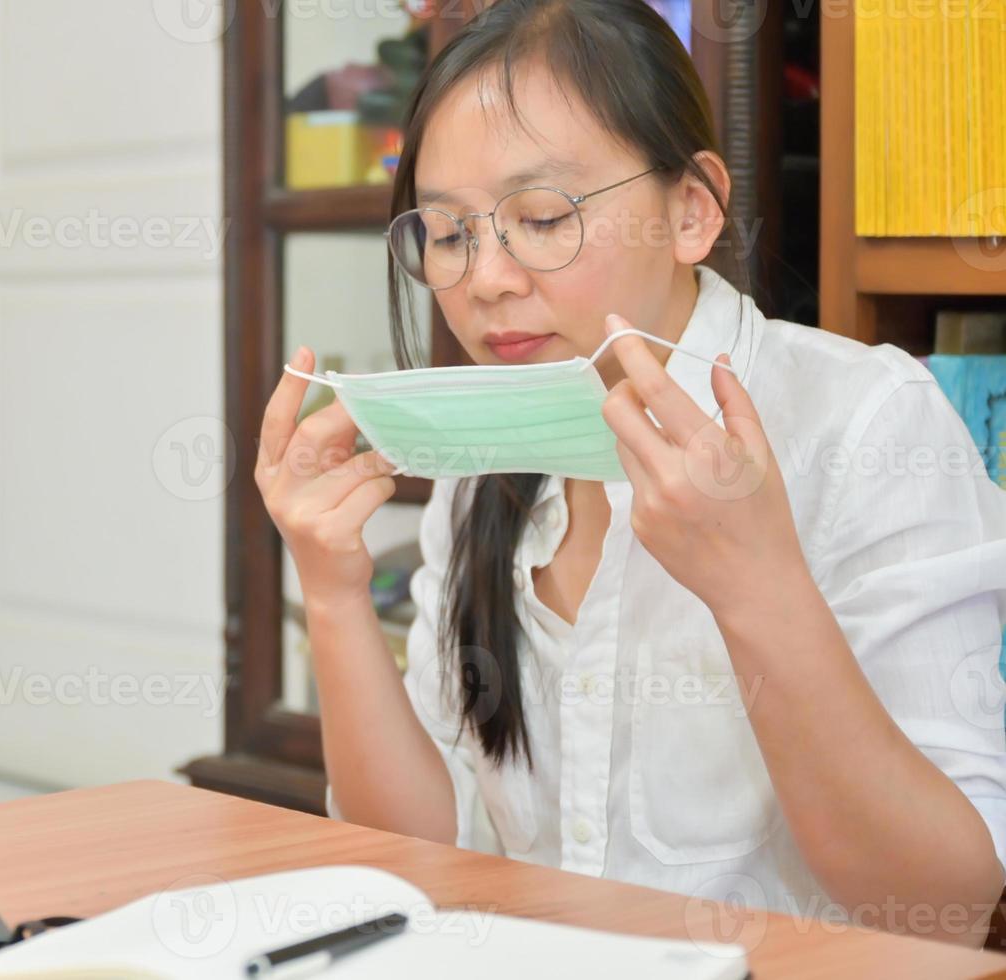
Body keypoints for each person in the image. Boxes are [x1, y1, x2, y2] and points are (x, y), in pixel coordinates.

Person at [255, 0, 1006, 945]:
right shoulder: (489, 455)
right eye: (448, 236)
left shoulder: (864, 420)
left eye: (539, 217)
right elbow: (410, 852)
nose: (484, 279)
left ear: (690, 210)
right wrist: (331, 592)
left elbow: (937, 909)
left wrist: (757, 589)